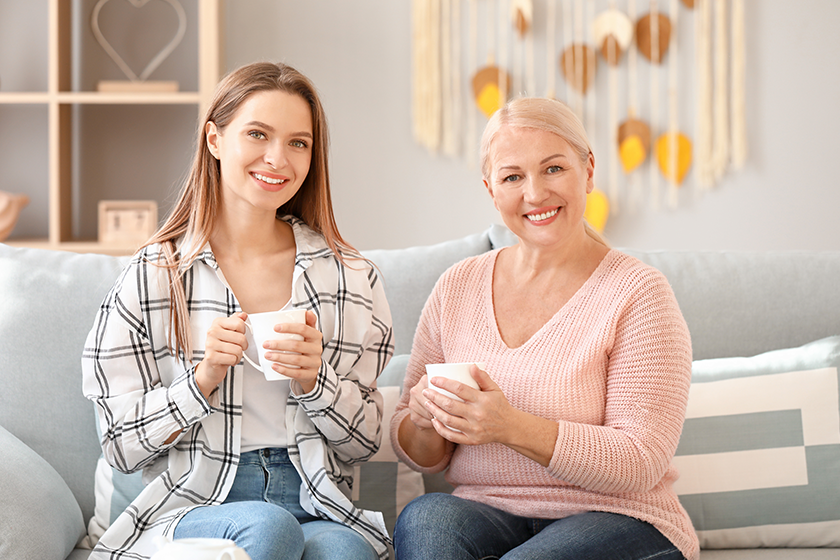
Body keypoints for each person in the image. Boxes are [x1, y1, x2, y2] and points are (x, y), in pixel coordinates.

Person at [82, 62, 393, 560]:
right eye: (257, 134)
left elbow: (364, 443)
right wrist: (200, 380)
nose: (278, 158)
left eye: (298, 143)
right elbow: (120, 445)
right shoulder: (156, 274)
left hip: (313, 499)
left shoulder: (349, 276)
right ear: (214, 139)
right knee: (267, 530)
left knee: (347, 553)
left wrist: (318, 381)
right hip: (194, 502)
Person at [390, 97, 699, 560]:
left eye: (553, 169)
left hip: (621, 520)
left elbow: (639, 460)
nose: (534, 194)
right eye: (513, 177)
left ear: (588, 171)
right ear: (492, 191)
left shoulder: (638, 293)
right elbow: (422, 453)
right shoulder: (457, 286)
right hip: (487, 512)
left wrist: (509, 425)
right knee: (426, 518)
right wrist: (421, 419)